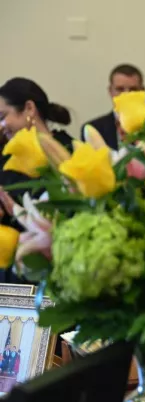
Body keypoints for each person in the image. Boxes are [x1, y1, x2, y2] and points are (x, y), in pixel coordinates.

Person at [0, 78, 74, 284]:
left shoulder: (68, 151)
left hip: (48, 278)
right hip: (7, 276)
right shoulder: (5, 157)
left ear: (29, 108)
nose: (1, 126)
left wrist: (17, 210)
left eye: (2, 116)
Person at [81, 63, 145, 150]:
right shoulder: (94, 129)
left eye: (133, 89)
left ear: (143, 91)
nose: (126, 95)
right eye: (120, 89)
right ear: (110, 91)